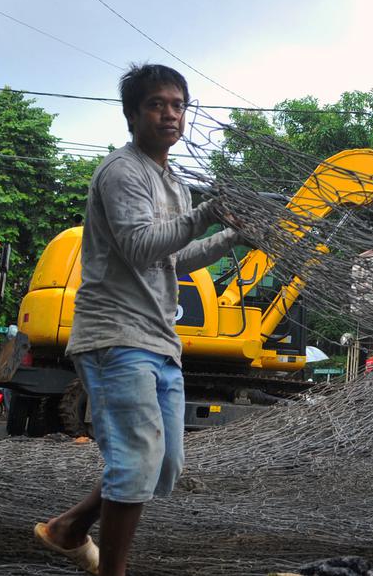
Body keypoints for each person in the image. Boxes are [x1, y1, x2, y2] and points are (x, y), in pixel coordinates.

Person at [37, 64, 239, 576]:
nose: (170, 114)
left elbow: (174, 257)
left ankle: (68, 527)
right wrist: (208, 214)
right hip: (114, 335)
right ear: (132, 115)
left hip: (159, 338)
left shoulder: (174, 184)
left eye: (178, 105)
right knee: (136, 463)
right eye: (156, 104)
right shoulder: (122, 172)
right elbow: (138, 244)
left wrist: (233, 236)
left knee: (163, 468)